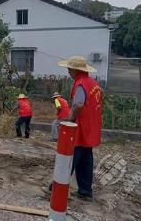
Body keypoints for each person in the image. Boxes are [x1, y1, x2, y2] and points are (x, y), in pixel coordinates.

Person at [48, 55, 103, 202]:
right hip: (91, 126)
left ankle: (56, 189)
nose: (68, 71)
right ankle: (85, 191)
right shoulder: (94, 83)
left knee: (69, 157)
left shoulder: (80, 84)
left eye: (69, 69)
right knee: (86, 159)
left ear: (75, 70)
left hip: (80, 127)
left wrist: (70, 120)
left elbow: (79, 104)